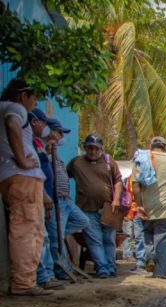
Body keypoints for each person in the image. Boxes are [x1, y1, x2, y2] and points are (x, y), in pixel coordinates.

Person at [0, 78, 49, 296]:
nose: (35, 102)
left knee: (20, 228)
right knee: (28, 230)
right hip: (22, 176)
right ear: (22, 95)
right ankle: (24, 283)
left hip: (10, 176)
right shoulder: (15, 108)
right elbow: (12, 123)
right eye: (34, 97)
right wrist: (22, 160)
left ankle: (21, 280)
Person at [66, 133, 123, 278]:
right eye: (90, 148)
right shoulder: (76, 163)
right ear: (85, 148)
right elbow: (64, 176)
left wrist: (116, 199)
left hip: (109, 209)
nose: (93, 151)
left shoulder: (109, 162)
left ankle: (111, 267)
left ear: (101, 150)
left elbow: (118, 182)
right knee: (94, 240)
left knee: (109, 240)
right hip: (86, 209)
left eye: (97, 149)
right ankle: (102, 268)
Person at [132, 136, 166, 279]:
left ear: (151, 146)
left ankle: (150, 257)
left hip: (147, 210)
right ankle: (160, 274)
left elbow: (136, 186)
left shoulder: (142, 159)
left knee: (147, 234)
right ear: (165, 147)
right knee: (163, 243)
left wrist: (139, 206)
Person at [46, 117, 89, 281]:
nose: (61, 136)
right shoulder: (44, 151)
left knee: (83, 221)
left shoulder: (54, 152)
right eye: (59, 133)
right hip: (56, 200)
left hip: (66, 200)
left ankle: (57, 236)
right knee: (56, 237)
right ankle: (61, 270)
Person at [28, 109, 62, 290]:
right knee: (42, 238)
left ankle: (47, 274)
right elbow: (35, 174)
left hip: (46, 199)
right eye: (44, 124)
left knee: (47, 238)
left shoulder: (39, 146)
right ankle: (44, 276)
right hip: (38, 197)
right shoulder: (31, 144)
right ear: (34, 122)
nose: (47, 128)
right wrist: (45, 196)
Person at [122, 173, 145, 272]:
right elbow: (128, 195)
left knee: (141, 237)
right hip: (135, 211)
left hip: (143, 210)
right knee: (136, 236)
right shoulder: (131, 177)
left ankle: (143, 261)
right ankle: (139, 261)